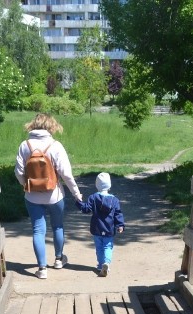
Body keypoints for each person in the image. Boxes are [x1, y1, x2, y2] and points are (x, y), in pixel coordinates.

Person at [14, 113, 83, 279]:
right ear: (51, 126)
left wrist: (27, 184)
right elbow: (66, 174)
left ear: (33, 125)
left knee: (38, 230)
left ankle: (42, 269)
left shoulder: (25, 145)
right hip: (55, 195)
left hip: (32, 196)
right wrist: (76, 194)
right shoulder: (55, 145)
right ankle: (59, 259)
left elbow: (18, 171)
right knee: (58, 226)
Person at [75, 172, 125, 277]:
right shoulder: (114, 200)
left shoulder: (93, 198)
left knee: (99, 247)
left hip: (96, 228)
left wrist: (79, 201)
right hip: (109, 229)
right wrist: (120, 225)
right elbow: (118, 214)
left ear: (97, 185)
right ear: (109, 185)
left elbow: (86, 209)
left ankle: (100, 264)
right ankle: (106, 263)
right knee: (107, 246)